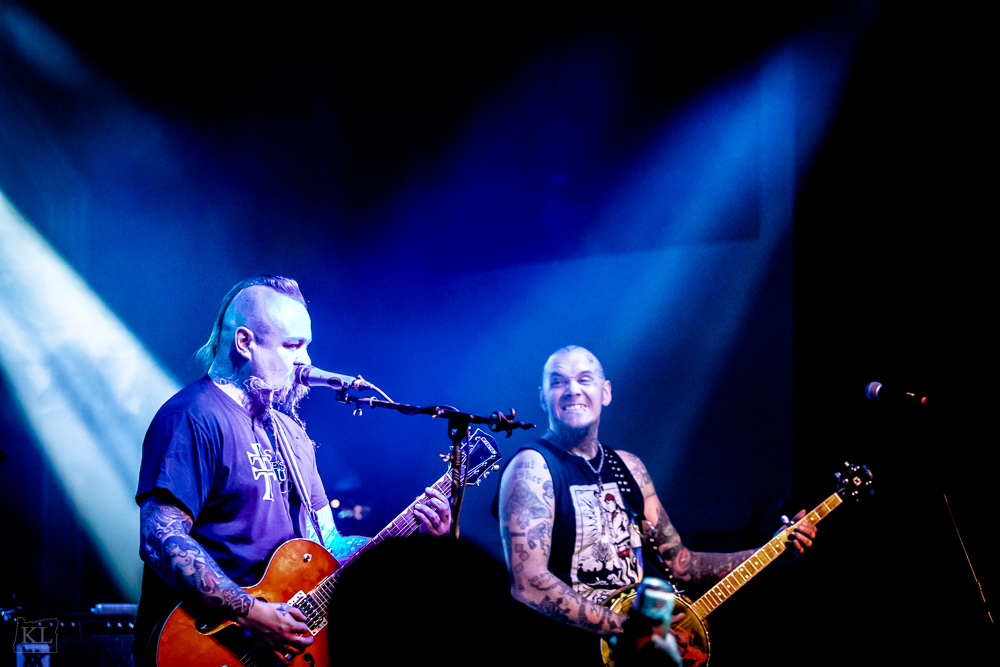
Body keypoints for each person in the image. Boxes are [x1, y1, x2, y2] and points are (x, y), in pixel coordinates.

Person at [132, 275, 452, 666]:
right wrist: (250, 611)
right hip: (205, 649)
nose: (307, 362)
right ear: (245, 342)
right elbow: (159, 537)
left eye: (307, 346)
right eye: (292, 346)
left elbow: (328, 544)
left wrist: (409, 542)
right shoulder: (193, 417)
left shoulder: (291, 433)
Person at [495, 345, 816, 665]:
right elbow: (528, 583)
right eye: (558, 382)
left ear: (605, 392)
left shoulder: (628, 467)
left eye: (584, 379)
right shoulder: (532, 467)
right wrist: (630, 628)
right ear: (543, 397)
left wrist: (772, 551)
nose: (572, 390)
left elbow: (681, 564)